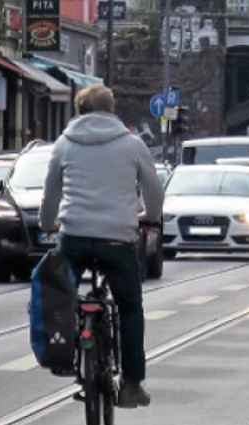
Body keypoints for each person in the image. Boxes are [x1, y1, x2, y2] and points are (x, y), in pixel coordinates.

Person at [40, 85, 165, 408]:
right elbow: (154, 189)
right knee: (129, 308)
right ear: (113, 111)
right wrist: (150, 216)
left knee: (62, 296)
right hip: (117, 238)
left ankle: (64, 355)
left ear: (79, 111)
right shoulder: (132, 145)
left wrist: (47, 223)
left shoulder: (64, 145)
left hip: (74, 236)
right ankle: (132, 384)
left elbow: (50, 194)